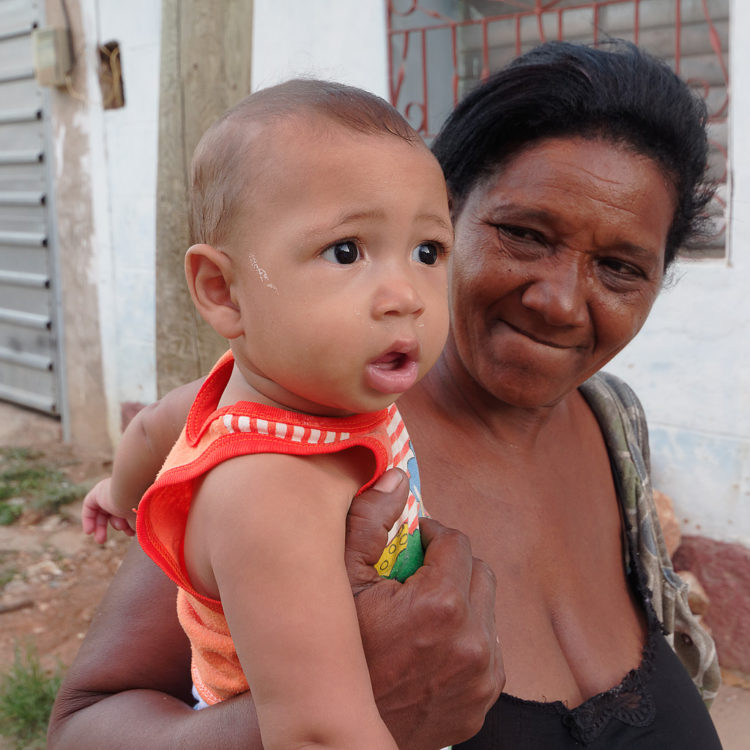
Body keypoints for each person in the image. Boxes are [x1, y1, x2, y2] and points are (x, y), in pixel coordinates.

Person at [49, 40, 723, 749]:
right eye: (523, 234)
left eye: (620, 268)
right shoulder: (294, 444)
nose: (559, 302)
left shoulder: (614, 423)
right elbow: (83, 729)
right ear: (451, 210)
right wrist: (349, 706)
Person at [79, 79, 456, 750]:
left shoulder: (248, 392)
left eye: (428, 251)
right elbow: (319, 732)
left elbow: (153, 429)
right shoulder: (272, 490)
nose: (406, 296)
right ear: (222, 291)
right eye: (346, 251)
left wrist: (119, 492)